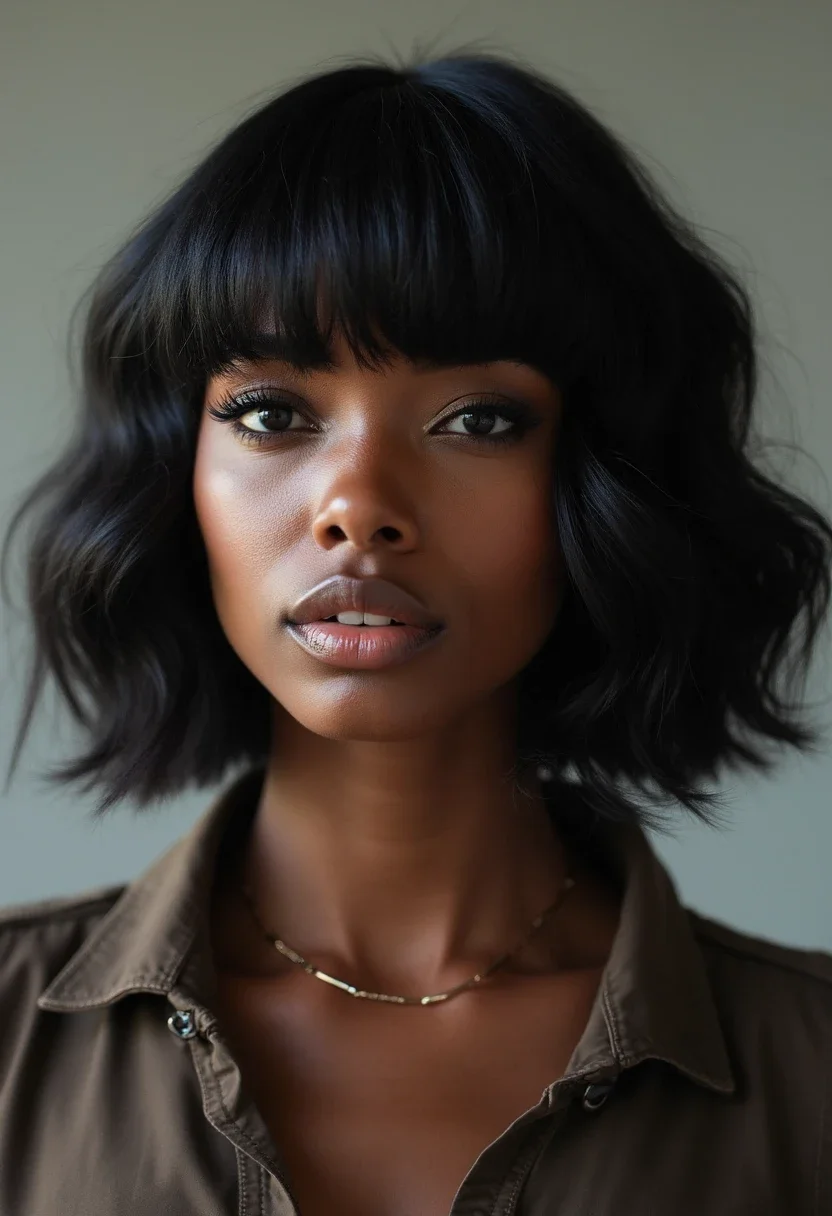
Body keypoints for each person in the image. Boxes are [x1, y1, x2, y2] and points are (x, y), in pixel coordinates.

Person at [0, 46, 830, 1216]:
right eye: (271, 413)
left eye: (477, 419)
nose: (358, 507)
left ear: (608, 480)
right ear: (176, 472)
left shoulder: (809, 1075)